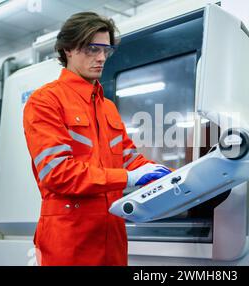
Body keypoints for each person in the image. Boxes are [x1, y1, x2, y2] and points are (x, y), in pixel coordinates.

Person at [23, 12, 171, 266]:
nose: (101, 58)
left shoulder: (108, 108)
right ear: (68, 49)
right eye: (92, 49)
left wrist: (171, 177)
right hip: (69, 241)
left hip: (112, 236)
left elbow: (130, 159)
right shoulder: (45, 101)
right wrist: (128, 178)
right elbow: (57, 172)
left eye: (106, 50)